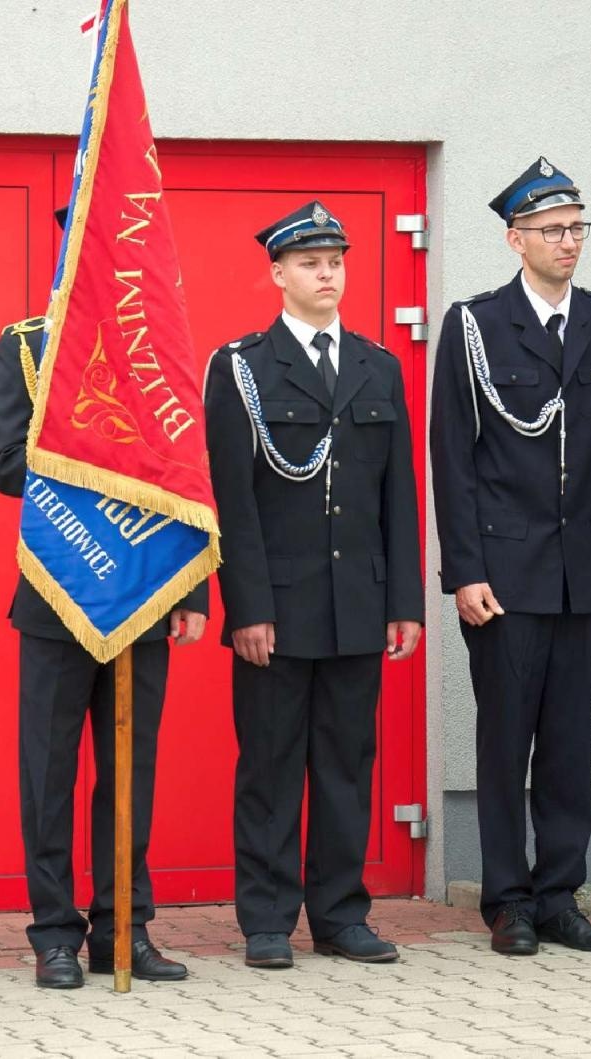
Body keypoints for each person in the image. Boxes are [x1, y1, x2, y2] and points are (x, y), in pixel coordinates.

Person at [0, 206, 205, 990]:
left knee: (130, 770)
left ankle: (127, 926)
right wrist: (80, 443)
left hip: (143, 591)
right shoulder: (27, 346)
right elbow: (4, 464)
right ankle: (53, 932)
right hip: (56, 588)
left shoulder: (155, 355)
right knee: (47, 773)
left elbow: (185, 473)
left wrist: (194, 589)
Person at [429, 158, 591, 956]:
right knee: (505, 736)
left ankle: (560, 894)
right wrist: (466, 571)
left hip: (583, 570)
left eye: (578, 227)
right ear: (515, 239)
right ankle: (508, 900)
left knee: (568, 741)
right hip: (505, 576)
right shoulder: (476, 325)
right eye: (553, 230)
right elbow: (454, 457)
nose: (569, 242)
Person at [203, 201, 423, 970]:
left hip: (357, 603)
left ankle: (339, 913)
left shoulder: (378, 365)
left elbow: (400, 493)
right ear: (277, 274)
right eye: (309, 262)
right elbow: (233, 498)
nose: (327, 273)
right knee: (269, 763)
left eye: (335, 261)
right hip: (280, 606)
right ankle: (266, 917)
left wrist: (404, 602)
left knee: (345, 763)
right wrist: (247, 607)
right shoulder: (243, 368)